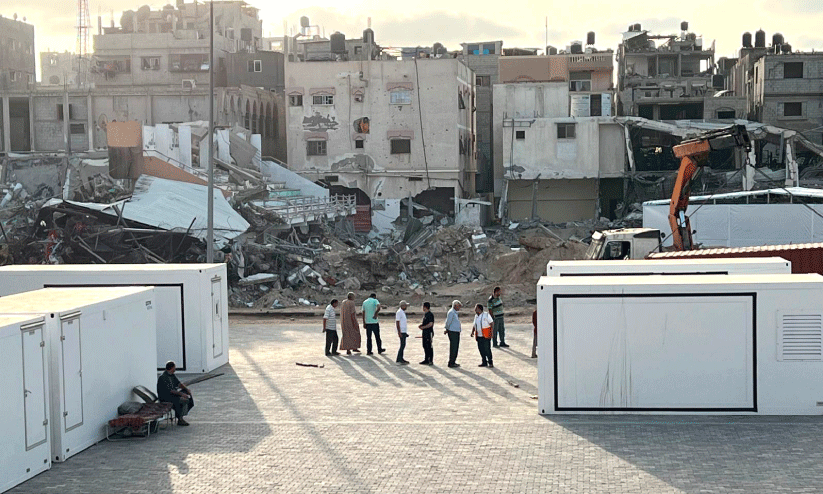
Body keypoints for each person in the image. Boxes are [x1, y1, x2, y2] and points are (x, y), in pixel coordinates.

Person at [157, 361, 194, 426]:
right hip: (166, 397)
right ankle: (180, 419)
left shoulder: (172, 375)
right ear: (171, 368)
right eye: (174, 368)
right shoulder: (163, 377)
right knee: (184, 400)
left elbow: (179, 384)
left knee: (188, 396)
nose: (175, 369)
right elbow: (170, 390)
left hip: (172, 395)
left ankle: (182, 415)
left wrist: (186, 389)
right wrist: (181, 394)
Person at [444, 300, 462, 368]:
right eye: (458, 306)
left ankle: (453, 361)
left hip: (456, 332)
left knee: (456, 347)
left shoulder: (455, 312)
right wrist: (447, 329)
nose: (459, 308)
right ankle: (451, 362)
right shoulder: (451, 312)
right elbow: (448, 321)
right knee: (453, 347)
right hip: (453, 332)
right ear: (455, 305)